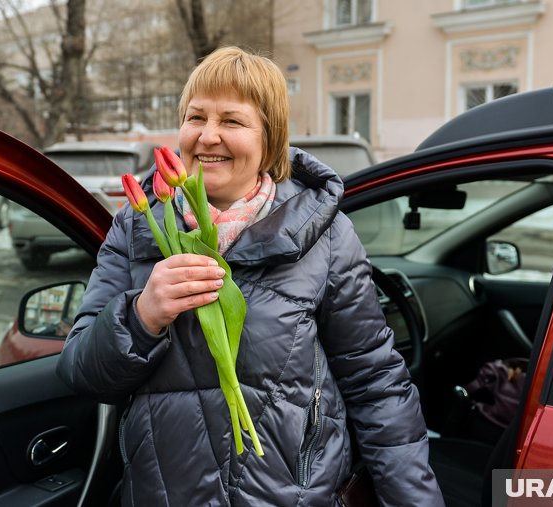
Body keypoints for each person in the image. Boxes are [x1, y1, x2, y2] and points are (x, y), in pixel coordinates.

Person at [57, 46, 444, 506]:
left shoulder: (324, 234)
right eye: (196, 117)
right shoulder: (137, 227)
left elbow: (375, 383)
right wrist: (142, 316)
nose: (207, 137)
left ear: (270, 138)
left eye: (232, 122)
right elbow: (81, 369)